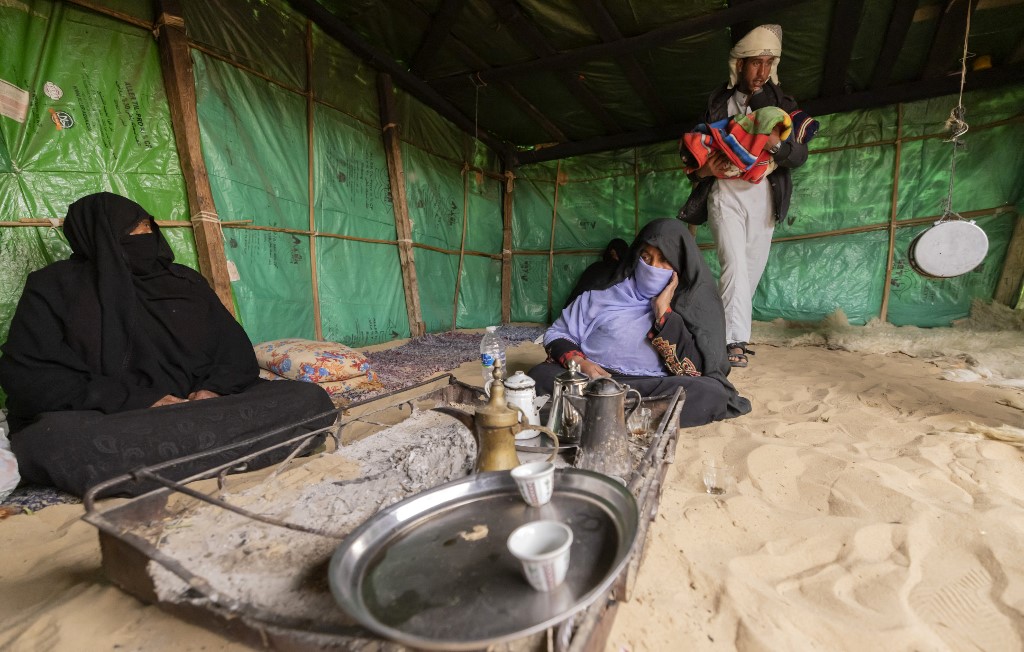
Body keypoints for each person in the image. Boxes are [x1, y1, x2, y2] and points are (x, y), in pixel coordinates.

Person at [0, 192, 336, 497]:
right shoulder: (54, 287)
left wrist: (213, 390)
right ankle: (230, 449)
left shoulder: (185, 281)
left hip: (203, 404)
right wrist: (144, 400)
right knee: (57, 440)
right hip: (118, 416)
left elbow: (234, 351)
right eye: (132, 231)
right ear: (96, 236)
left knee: (309, 398)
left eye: (148, 227)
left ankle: (154, 467)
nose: (145, 237)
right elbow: (34, 378)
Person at [528, 218, 751, 428]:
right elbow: (559, 333)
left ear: (680, 266)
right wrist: (580, 363)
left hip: (650, 385)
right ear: (635, 258)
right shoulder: (601, 294)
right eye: (646, 257)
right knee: (538, 376)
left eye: (664, 261)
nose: (652, 267)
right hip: (592, 380)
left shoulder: (695, 307)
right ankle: (632, 415)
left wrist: (663, 313)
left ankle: (600, 411)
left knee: (711, 393)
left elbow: (694, 371)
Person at [679, 24, 809, 368]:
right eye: (755, 63)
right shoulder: (717, 104)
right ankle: (733, 342)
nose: (762, 72)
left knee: (750, 271)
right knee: (733, 265)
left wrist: (775, 145)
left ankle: (714, 330)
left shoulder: (784, 105)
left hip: (765, 194)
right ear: (739, 64)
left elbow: (798, 156)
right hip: (724, 192)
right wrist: (707, 171)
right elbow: (694, 155)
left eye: (768, 63)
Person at [564, 237, 629, 308]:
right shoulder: (627, 273)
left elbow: (578, 293)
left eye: (614, 253)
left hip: (579, 309)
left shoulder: (595, 268)